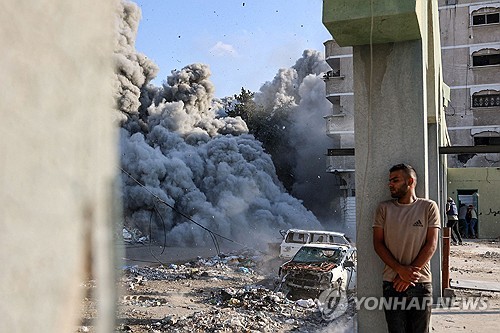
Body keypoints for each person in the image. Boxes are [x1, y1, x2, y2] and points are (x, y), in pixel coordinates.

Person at [373, 163, 440, 333]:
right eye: (390, 180)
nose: (390, 184)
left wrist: (407, 276)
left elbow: (431, 244)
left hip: (420, 283)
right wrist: (400, 270)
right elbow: (378, 244)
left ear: (410, 181)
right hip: (392, 284)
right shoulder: (384, 209)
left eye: (395, 180)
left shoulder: (429, 207)